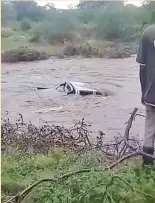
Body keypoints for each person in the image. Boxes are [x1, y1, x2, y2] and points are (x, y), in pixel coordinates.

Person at [136, 24, 155, 166]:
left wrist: (144, 92)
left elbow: (142, 67)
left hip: (151, 92)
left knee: (149, 128)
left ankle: (147, 166)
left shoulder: (149, 32)